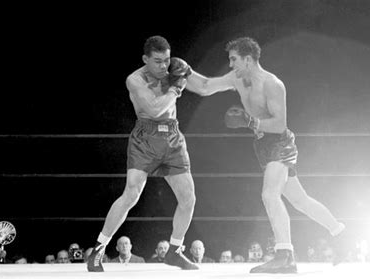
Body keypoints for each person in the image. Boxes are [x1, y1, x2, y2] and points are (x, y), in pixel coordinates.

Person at [184, 37, 350, 273]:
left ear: (248, 60)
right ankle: (340, 233)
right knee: (300, 200)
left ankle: (285, 256)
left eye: (234, 60)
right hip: (262, 146)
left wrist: (250, 121)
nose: (230, 65)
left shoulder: (272, 84)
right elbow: (205, 86)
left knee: (270, 195)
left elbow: (280, 124)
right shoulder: (236, 79)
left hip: (280, 144)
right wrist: (184, 72)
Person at [87, 35, 198, 272]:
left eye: (166, 60)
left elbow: (205, 86)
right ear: (145, 59)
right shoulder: (135, 80)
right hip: (145, 138)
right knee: (131, 194)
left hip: (172, 138)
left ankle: (175, 250)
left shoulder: (174, 70)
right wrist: (177, 88)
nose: (163, 66)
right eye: (157, 61)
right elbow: (155, 109)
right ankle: (98, 250)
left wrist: (234, 80)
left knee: (188, 197)